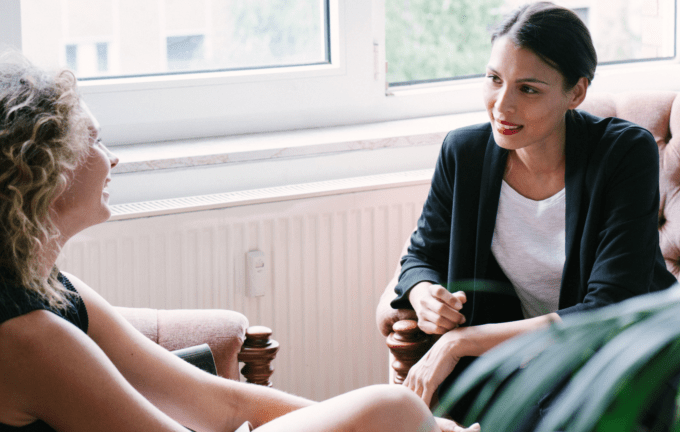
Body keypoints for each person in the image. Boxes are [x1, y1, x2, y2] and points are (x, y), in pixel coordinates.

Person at [0, 53, 481, 432]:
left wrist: (412, 425)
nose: (114, 159)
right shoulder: (27, 337)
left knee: (394, 412)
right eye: (96, 142)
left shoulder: (55, 288)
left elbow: (222, 402)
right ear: (49, 169)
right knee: (392, 405)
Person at [385, 1, 679, 425]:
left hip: (624, 361)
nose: (501, 108)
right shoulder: (463, 154)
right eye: (493, 80)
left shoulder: (624, 153)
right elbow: (419, 257)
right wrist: (422, 291)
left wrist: (461, 342)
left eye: (529, 89)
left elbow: (610, 308)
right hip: (521, 368)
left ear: (576, 92)